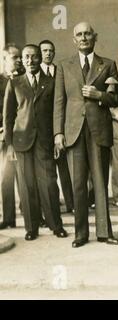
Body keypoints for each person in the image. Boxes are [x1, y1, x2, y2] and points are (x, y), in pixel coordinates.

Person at [54, 22, 118, 248]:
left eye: (87, 34)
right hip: (73, 131)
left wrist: (99, 94)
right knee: (78, 184)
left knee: (101, 182)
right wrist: (58, 133)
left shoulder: (108, 65)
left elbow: (116, 99)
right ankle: (80, 234)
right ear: (74, 39)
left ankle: (104, 232)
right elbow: (59, 102)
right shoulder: (64, 66)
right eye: (79, 34)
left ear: (95, 36)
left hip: (98, 130)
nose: (83, 37)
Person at [3, 44, 68, 240]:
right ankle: (31, 228)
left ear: (41, 59)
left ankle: (56, 225)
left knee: (49, 183)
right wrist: (10, 145)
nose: (30, 61)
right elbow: (8, 117)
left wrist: (57, 137)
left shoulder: (52, 82)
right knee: (26, 184)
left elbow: (58, 112)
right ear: (22, 60)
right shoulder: (14, 84)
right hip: (21, 142)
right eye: (26, 57)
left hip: (45, 141)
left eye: (34, 57)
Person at [39, 39, 74, 214]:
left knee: (65, 168)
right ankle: (51, 207)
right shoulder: (36, 73)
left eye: (51, 50)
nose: (48, 53)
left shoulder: (61, 70)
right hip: (44, 129)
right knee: (48, 172)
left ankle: (71, 204)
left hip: (62, 125)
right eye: (44, 50)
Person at [0, 44, 22, 230]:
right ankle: (8, 219)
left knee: (26, 176)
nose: (18, 60)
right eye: (14, 57)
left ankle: (33, 215)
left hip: (23, 135)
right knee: (6, 178)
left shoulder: (25, 79)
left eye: (19, 56)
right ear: (5, 59)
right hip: (4, 137)